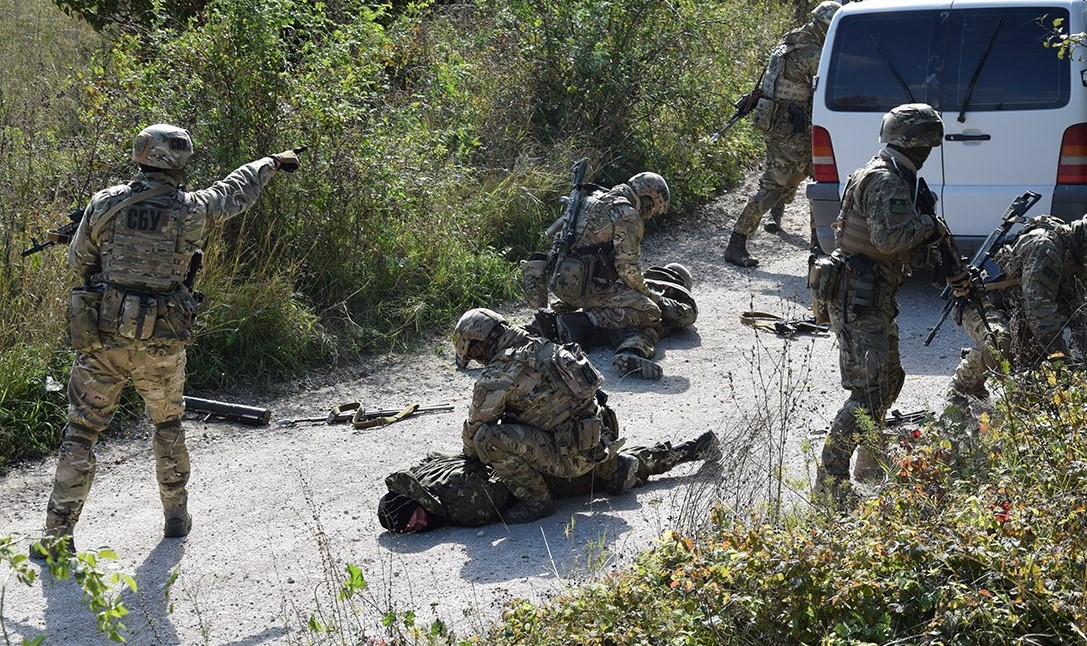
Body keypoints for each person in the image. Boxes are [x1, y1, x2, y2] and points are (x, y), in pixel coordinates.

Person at [31, 124, 301, 559]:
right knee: (167, 425)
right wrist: (270, 162)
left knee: (81, 433)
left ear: (141, 154)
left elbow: (78, 260)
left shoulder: (105, 202)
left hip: (103, 339)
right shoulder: (193, 210)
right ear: (181, 160)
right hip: (163, 340)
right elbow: (236, 189)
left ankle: (57, 537)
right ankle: (176, 516)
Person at [815, 103, 949, 504]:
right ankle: (831, 484)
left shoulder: (896, 174)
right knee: (868, 391)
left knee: (890, 380)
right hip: (857, 296)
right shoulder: (887, 180)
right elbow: (891, 239)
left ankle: (870, 461)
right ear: (918, 143)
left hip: (872, 294)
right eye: (929, 142)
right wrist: (931, 226)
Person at [453, 307, 642, 523]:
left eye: (473, 353)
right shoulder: (544, 344)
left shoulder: (500, 372)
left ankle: (536, 501)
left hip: (569, 456)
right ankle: (613, 468)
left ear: (480, 342)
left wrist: (470, 456)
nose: (477, 361)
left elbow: (475, 427)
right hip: (598, 441)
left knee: (487, 439)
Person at [376, 432, 721, 533]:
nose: (420, 526)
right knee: (609, 464)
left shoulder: (461, 504)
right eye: (411, 528)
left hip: (544, 476)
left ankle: (691, 449)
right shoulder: (420, 477)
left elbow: (505, 489)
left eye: (414, 518)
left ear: (414, 503)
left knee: (618, 473)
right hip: (529, 452)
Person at [724, 1, 842, 268]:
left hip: (779, 125)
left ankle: (814, 244)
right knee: (802, 183)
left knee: (796, 182)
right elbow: (826, 89)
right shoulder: (813, 53)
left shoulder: (788, 42)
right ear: (826, 26)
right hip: (791, 130)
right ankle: (738, 244)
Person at [545, 171, 679, 379]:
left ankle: (557, 320)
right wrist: (649, 294)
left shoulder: (590, 198)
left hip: (560, 281)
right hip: (588, 289)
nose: (650, 214)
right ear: (646, 197)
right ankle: (582, 322)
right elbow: (628, 270)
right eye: (652, 207)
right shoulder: (627, 215)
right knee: (650, 312)